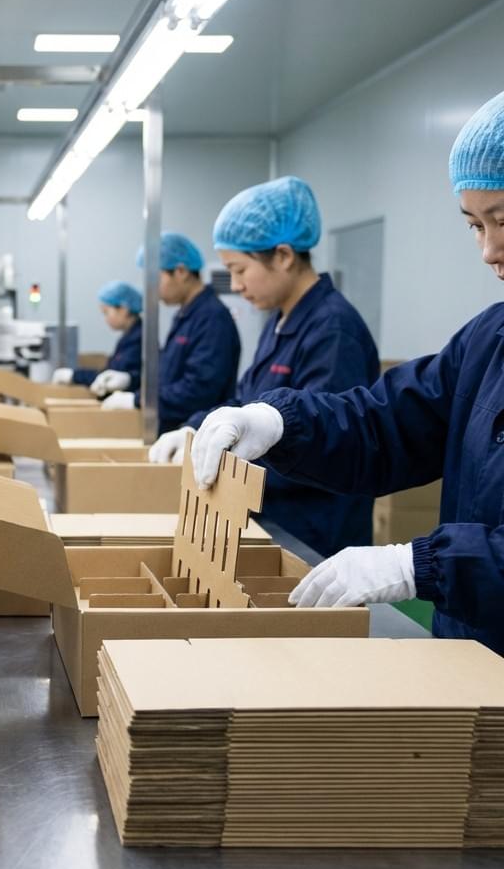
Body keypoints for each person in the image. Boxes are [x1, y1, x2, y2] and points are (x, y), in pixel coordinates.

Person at [189, 91, 504, 654]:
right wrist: (280, 423)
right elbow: (387, 423)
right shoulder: (489, 339)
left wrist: (422, 565)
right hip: (472, 658)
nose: (489, 250)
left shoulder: (333, 328)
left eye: (502, 220)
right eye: (474, 226)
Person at [150, 176, 380, 557]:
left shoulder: (333, 331)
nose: (235, 285)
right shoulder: (279, 323)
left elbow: (327, 442)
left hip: (313, 536)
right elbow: (245, 402)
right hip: (271, 520)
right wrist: (197, 428)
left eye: (239, 270)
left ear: (284, 256)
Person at [101, 231, 241, 428]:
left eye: (155, 279)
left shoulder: (212, 318)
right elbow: (169, 376)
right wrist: (131, 381)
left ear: (181, 271)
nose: (152, 289)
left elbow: (198, 391)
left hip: (192, 431)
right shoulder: (185, 315)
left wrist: (138, 400)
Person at [52, 280, 142, 397]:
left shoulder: (138, 340)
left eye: (106, 312)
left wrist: (74, 375)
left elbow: (113, 378)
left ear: (124, 310)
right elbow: (107, 375)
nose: (105, 318)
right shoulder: (129, 337)